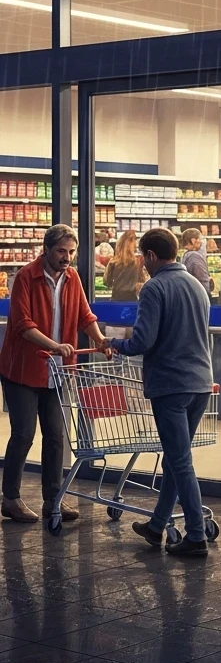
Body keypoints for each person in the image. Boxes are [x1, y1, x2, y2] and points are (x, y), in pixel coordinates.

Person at [110, 227, 215, 558]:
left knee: (180, 460)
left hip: (171, 385)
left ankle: (196, 534)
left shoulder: (155, 288)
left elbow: (142, 341)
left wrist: (111, 343)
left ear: (151, 256)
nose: (142, 262)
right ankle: (156, 527)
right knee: (175, 458)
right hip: (200, 383)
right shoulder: (197, 286)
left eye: (143, 257)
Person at [0, 224, 108, 523]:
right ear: (46, 249)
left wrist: (100, 341)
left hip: (57, 372)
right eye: (61, 251)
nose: (67, 258)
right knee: (23, 434)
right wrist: (54, 345)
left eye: (71, 252)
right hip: (23, 369)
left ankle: (54, 499)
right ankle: (10, 498)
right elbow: (21, 323)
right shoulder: (25, 277)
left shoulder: (72, 278)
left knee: (56, 436)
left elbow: (85, 316)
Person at [104, 230, 148, 303]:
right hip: (132, 300)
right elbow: (142, 281)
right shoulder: (137, 262)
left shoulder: (113, 262)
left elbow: (107, 282)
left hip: (115, 300)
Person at [181, 228, 212, 296]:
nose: (201, 242)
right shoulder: (195, 257)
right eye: (200, 239)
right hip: (200, 296)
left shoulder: (185, 255)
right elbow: (203, 281)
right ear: (193, 241)